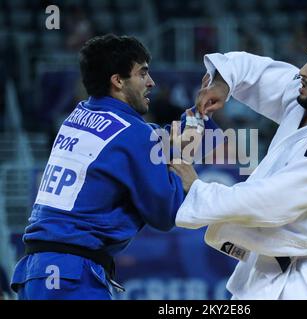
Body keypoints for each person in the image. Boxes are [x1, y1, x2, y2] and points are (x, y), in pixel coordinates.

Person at [10, 34, 215, 300]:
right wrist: (183, 170)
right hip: (71, 276)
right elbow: (165, 211)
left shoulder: (78, 116)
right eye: (142, 74)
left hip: (37, 271)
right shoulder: (133, 134)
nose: (151, 82)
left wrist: (199, 116)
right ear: (117, 81)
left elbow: (154, 142)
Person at [170, 35, 307, 299]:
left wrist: (196, 190)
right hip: (271, 264)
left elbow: (270, 200)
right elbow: (254, 70)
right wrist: (222, 83)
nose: (302, 71)